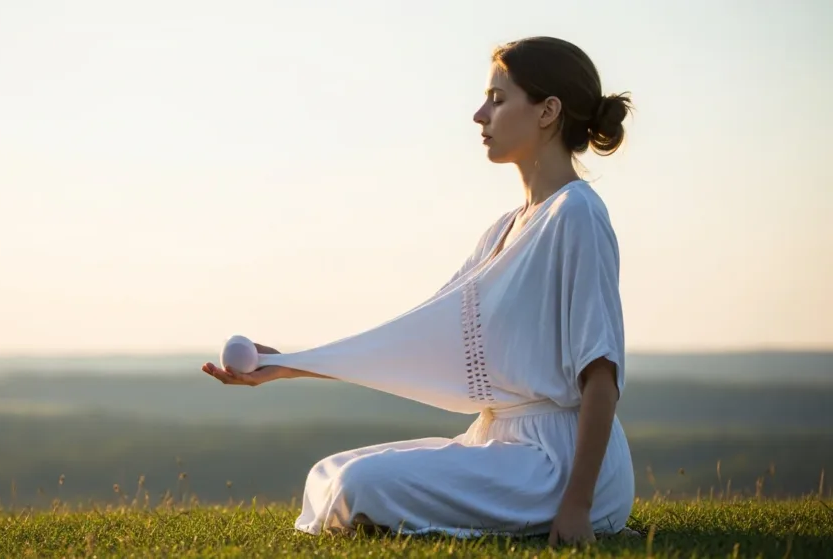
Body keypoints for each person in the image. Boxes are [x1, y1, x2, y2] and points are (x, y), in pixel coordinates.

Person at [201, 36, 636, 547]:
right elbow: (421, 336)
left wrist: (577, 504)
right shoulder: (502, 229)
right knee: (330, 474)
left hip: (556, 465)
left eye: (498, 99)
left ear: (548, 112)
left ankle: (571, 500)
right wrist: (292, 363)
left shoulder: (578, 214)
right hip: (498, 441)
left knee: (358, 486)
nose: (480, 114)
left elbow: (601, 373)